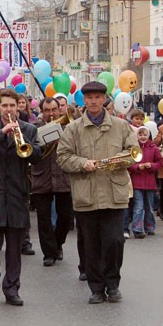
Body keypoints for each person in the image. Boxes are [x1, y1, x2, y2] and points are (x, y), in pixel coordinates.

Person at [57, 81, 137, 304]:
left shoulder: (121, 126)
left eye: (97, 97)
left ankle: (112, 284)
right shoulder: (73, 129)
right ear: (84, 100)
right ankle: (96, 287)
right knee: (91, 244)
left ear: (105, 100)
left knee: (114, 242)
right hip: (86, 195)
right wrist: (83, 163)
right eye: (89, 97)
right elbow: (62, 157)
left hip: (114, 194)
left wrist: (117, 161)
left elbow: (134, 153)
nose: (93, 101)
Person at [0, 89, 41, 306]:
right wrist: (2, 132)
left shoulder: (29, 129)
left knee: (14, 249)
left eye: (13, 106)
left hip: (17, 194)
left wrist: (27, 148)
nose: (9, 110)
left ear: (18, 107)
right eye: (5, 106)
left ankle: (12, 289)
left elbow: (38, 155)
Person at [30, 97, 73, 267]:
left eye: (54, 109)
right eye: (47, 110)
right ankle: (49, 253)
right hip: (42, 177)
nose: (51, 113)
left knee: (65, 216)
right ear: (42, 111)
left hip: (63, 176)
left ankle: (57, 243)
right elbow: (31, 152)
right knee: (44, 219)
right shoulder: (34, 129)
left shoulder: (69, 127)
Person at [129, 126, 163, 237]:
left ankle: (150, 227)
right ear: (137, 136)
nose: (143, 137)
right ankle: (137, 229)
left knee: (149, 207)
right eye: (140, 134)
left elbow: (160, 162)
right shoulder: (134, 148)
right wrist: (137, 167)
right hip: (137, 182)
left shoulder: (153, 148)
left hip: (150, 183)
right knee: (138, 206)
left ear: (148, 135)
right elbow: (129, 164)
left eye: (145, 134)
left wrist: (151, 165)